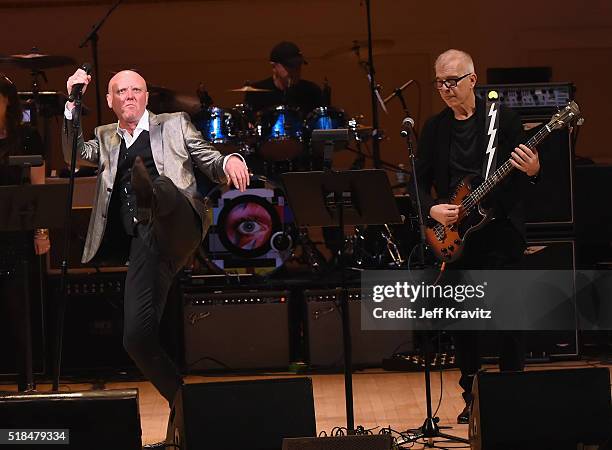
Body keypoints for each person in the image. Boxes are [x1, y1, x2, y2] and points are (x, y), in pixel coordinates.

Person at [62, 68, 249, 407]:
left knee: (163, 187)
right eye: (121, 91)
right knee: (136, 338)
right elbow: (72, 154)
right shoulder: (105, 137)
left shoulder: (175, 122)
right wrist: (72, 102)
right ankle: (183, 404)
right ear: (110, 100)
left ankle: (150, 192)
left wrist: (230, 160)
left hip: (179, 224)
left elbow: (208, 157)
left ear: (147, 97)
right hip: (145, 242)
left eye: (136, 90)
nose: (129, 95)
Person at [412, 49, 541, 424]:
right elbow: (417, 182)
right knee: (464, 324)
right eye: (439, 82)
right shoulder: (435, 128)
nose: (445, 89)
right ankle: (473, 397)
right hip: (456, 235)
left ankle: (512, 395)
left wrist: (533, 170)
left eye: (452, 81)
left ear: (472, 79)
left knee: (509, 320)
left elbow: (526, 178)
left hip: (500, 232)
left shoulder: (505, 120)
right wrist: (432, 209)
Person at [0, 74, 49, 391]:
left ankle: (26, 382)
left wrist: (41, 231)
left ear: (7, 101)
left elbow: (38, 189)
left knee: (18, 309)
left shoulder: (27, 137)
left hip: (14, 236)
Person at [244, 41, 322, 115]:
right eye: (290, 65)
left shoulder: (312, 92)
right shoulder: (256, 93)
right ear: (274, 66)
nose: (295, 70)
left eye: (298, 64)